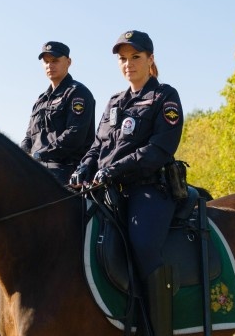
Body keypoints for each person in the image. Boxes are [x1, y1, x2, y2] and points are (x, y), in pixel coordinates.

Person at [70, 30, 183, 335]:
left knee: (142, 244)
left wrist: (114, 169)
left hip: (149, 189)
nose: (128, 64)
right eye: (123, 59)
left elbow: (159, 149)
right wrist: (84, 168)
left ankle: (156, 326)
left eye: (135, 57)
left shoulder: (164, 97)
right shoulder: (114, 102)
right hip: (108, 190)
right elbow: (97, 146)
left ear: (150, 60)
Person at [21, 41, 96, 184]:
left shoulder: (77, 93)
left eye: (55, 60)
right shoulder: (40, 100)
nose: (50, 65)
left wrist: (39, 155)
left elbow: (74, 135)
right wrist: (20, 155)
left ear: (68, 62)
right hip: (35, 167)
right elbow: (29, 137)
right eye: (46, 62)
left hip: (64, 169)